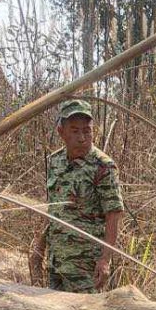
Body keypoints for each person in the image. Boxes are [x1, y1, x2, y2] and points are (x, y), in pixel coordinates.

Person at [29, 100, 124, 293]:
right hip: (57, 263)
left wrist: (105, 260)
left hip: (86, 267)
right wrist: (39, 249)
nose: (82, 138)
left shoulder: (103, 166)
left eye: (87, 131)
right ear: (61, 132)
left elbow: (113, 214)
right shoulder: (55, 161)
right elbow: (55, 210)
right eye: (74, 131)